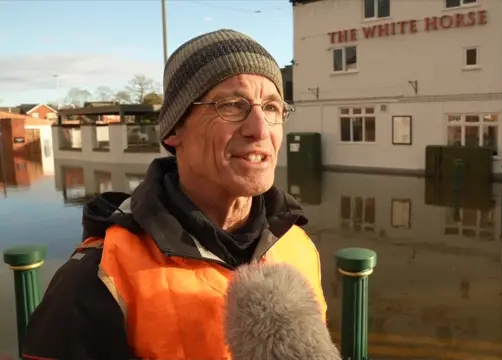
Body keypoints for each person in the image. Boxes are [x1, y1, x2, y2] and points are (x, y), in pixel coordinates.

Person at [22, 29, 327, 360]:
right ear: (174, 130)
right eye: (232, 105)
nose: (261, 128)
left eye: (271, 107)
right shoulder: (96, 278)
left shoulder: (297, 245)